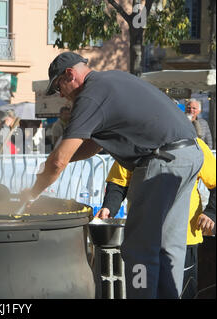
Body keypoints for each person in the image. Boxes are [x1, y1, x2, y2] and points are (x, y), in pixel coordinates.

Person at [20, 51, 203, 299]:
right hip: (188, 154)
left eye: (58, 87)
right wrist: (59, 159)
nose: (60, 95)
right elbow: (93, 145)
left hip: (160, 162)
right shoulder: (112, 80)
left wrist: (31, 193)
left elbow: (58, 161)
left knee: (140, 249)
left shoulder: (90, 96)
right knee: (168, 247)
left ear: (70, 74)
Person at [96, 138, 215, 299]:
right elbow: (119, 182)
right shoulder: (135, 141)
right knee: (142, 291)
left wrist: (211, 213)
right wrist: (109, 207)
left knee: (181, 293)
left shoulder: (194, 144)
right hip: (143, 238)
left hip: (184, 239)